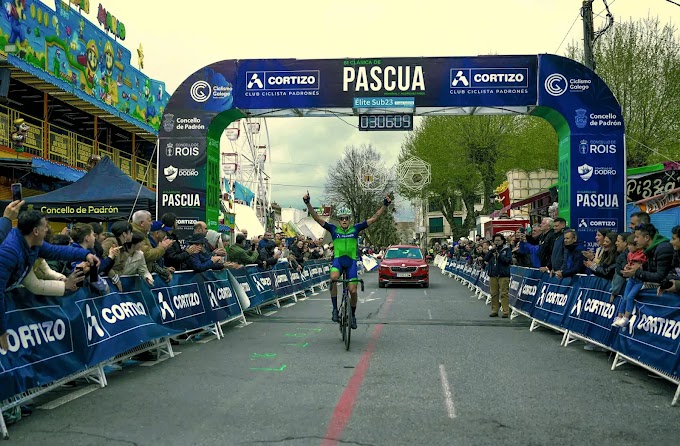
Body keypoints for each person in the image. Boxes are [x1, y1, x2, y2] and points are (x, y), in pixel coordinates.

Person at [0, 210, 99, 351]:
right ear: (35, 231)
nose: (47, 230)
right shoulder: (9, 252)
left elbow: (57, 251)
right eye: (45, 226)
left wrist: (86, 254)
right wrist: (1, 331)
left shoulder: (33, 245)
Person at [303, 191, 391, 329]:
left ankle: (353, 315)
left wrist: (385, 205)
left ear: (350, 219)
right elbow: (316, 218)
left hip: (351, 263)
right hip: (338, 261)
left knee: (353, 291)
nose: (344, 220)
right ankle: (334, 309)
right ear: (339, 220)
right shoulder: (333, 229)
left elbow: (374, 218)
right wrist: (308, 203)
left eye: (347, 218)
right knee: (333, 278)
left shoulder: (356, 229)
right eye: (342, 218)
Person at [612, 235, 649, 328]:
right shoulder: (629, 254)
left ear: (636, 245)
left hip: (639, 281)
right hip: (631, 280)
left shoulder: (642, 255)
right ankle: (619, 316)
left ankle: (626, 318)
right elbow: (629, 265)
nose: (628, 247)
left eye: (629, 245)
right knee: (624, 297)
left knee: (630, 297)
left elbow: (638, 267)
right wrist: (626, 268)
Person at [485, 233, 512, 318]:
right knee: (494, 293)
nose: (497, 242)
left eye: (498, 240)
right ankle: (494, 310)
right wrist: (491, 251)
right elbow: (486, 259)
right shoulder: (492, 250)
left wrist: (499, 256)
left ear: (502, 241)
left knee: (504, 293)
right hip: (493, 274)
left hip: (503, 274)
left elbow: (508, 261)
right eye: (495, 240)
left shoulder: (506, 249)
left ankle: (505, 311)